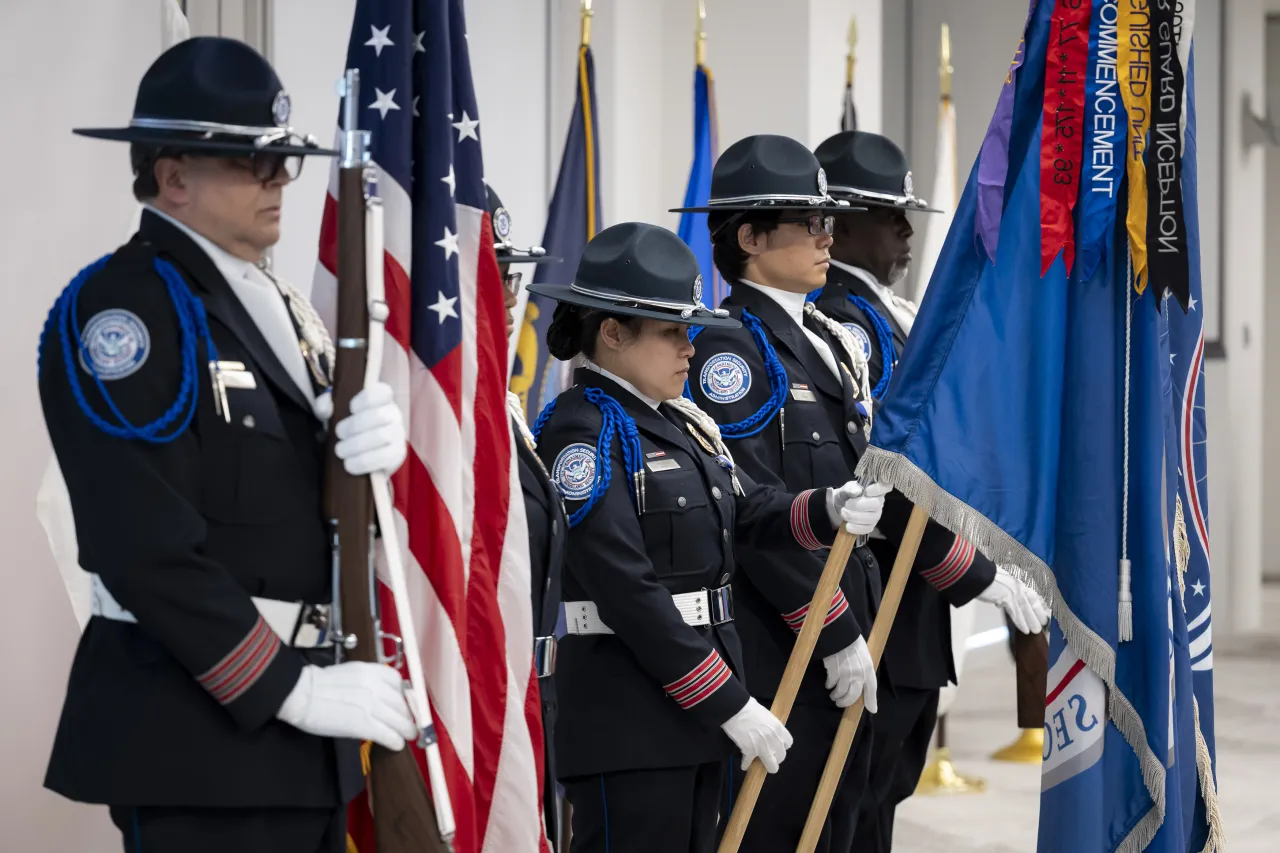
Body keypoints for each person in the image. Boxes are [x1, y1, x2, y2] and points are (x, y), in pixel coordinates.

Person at [38, 38, 417, 853]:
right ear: (174, 176)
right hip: (198, 737)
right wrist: (289, 689)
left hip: (298, 742)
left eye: (283, 161)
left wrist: (361, 466)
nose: (280, 181)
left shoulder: (280, 312)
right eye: (252, 164)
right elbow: (141, 543)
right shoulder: (129, 313)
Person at [526, 221, 887, 853]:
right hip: (630, 716)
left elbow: (749, 513)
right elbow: (627, 591)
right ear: (612, 333)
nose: (690, 348)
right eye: (672, 332)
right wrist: (726, 700)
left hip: (695, 710)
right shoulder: (583, 433)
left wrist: (827, 507)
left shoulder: (678, 425)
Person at [812, 129, 1050, 853]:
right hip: (882, 593)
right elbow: (892, 475)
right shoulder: (848, 324)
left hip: (913, 600)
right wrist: (973, 572)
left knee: (881, 799)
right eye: (890, 216)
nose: (906, 231)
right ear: (843, 223)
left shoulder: (888, 314)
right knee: (854, 806)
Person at [672, 133, 885, 853]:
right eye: (810, 223)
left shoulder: (820, 335)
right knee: (785, 826)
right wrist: (834, 630)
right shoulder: (729, 350)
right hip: (782, 636)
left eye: (829, 221)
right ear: (753, 237)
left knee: (841, 823)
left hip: (850, 611)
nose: (829, 237)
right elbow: (749, 509)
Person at [488, 183, 567, 847]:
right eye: (493, 272)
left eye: (513, 273)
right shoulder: (429, 407)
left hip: (532, 684)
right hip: (478, 687)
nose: (512, 293)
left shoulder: (505, 406)